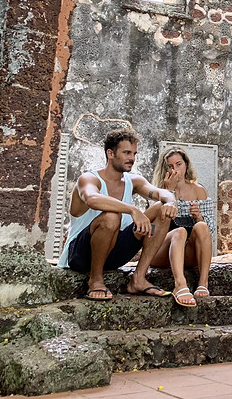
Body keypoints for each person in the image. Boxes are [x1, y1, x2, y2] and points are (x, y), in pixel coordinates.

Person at [57, 126, 176, 301]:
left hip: (114, 253)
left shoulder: (133, 180)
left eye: (135, 154)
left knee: (161, 208)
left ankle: (138, 279)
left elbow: (160, 193)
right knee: (112, 216)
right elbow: (92, 199)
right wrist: (132, 209)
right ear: (110, 154)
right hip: (80, 255)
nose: (132, 158)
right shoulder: (89, 179)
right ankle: (95, 280)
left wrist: (171, 201)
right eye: (127, 153)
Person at [150, 147, 215, 307]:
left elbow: (210, 231)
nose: (175, 170)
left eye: (178, 164)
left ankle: (203, 283)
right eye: (170, 166)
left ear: (186, 165)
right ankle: (180, 284)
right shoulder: (158, 192)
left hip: (188, 251)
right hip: (162, 250)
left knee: (201, 226)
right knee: (179, 231)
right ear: (165, 170)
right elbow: (153, 228)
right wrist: (169, 192)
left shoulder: (199, 191)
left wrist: (199, 217)